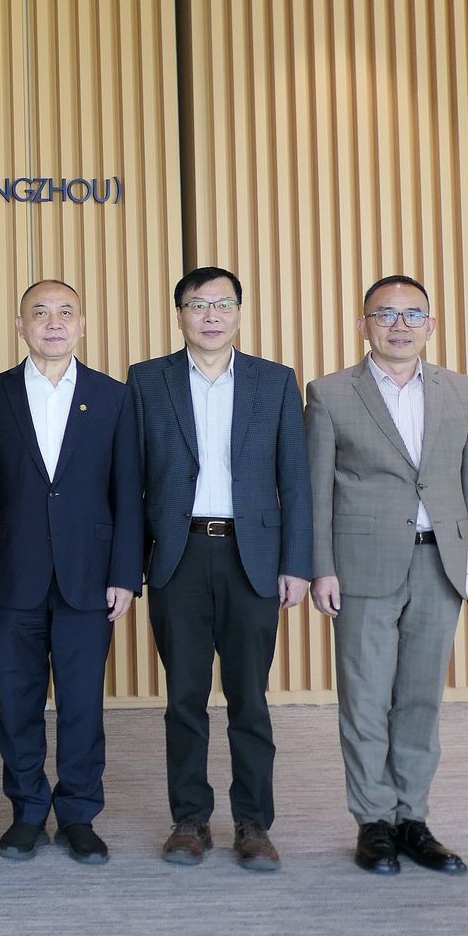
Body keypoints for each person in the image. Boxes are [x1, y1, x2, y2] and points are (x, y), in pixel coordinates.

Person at [305, 275, 468, 876]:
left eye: (413, 315)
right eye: (385, 315)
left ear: (431, 326)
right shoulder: (331, 392)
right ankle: (374, 822)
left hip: (441, 561)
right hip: (362, 565)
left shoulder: (460, 391)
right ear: (362, 325)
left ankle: (413, 818)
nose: (399, 326)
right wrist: (321, 568)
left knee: (420, 698)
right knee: (365, 699)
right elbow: (316, 490)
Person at [127, 266, 311, 872]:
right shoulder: (147, 381)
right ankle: (190, 819)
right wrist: (131, 567)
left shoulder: (275, 381)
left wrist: (297, 564)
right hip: (178, 555)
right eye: (197, 304)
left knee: (248, 699)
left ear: (239, 313)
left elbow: (296, 480)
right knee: (184, 696)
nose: (211, 315)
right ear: (178, 313)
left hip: (251, 557)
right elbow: (129, 483)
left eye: (223, 304)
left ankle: (254, 823)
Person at [0, 280, 143, 866]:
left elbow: (129, 493)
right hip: (13, 573)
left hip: (90, 578)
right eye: (39, 313)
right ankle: (25, 812)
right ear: (20, 326)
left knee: (82, 702)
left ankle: (78, 814)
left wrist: (125, 574)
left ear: (83, 325)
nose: (53, 322)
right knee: (16, 701)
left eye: (66, 312)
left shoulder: (114, 397)